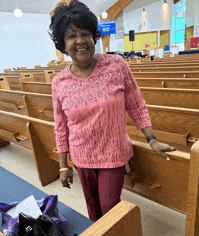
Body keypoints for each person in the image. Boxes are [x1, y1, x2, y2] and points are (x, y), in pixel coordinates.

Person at [48, 0, 175, 222]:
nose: (80, 41)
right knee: (93, 210)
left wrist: (152, 139)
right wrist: (63, 166)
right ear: (62, 44)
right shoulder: (59, 82)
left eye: (85, 33)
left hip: (113, 154)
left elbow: (136, 105)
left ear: (93, 36)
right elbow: (60, 127)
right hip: (81, 157)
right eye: (71, 36)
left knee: (109, 206)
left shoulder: (116, 65)